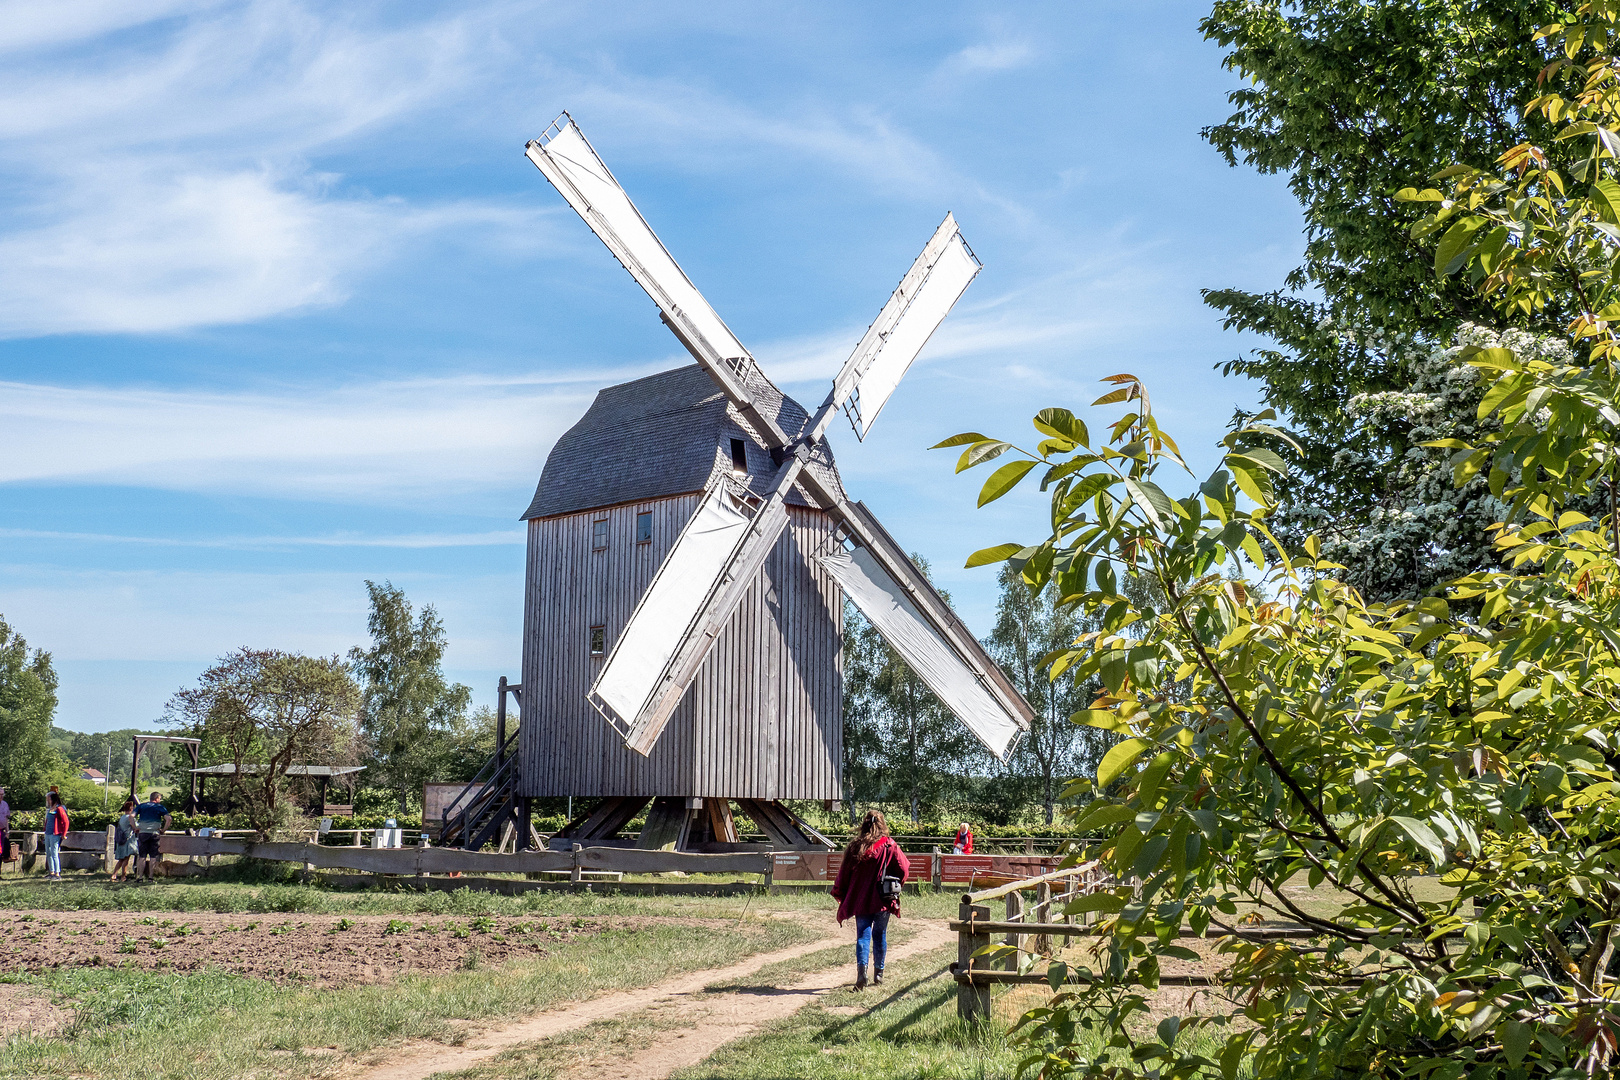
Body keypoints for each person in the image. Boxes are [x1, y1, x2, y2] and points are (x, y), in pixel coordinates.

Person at [830, 809, 909, 990]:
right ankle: (879, 974)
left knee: (862, 936)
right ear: (882, 825)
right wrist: (897, 884)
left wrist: (839, 892)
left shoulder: (855, 846)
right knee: (880, 935)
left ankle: (862, 974)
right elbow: (904, 869)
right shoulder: (890, 845)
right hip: (883, 899)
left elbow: (843, 874)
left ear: (864, 825)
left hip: (861, 899)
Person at [134, 791, 170, 883]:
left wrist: (135, 828)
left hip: (143, 833)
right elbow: (169, 819)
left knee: (142, 856)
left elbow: (131, 816)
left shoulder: (141, 806)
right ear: (157, 798)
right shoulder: (159, 807)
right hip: (154, 833)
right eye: (160, 799)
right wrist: (163, 830)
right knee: (153, 856)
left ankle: (140, 877)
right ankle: (150, 877)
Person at [43, 790, 69, 880]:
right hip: (48, 833)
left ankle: (57, 873)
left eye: (48, 799)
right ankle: (51, 872)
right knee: (48, 853)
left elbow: (66, 822)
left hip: (55, 834)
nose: (47, 801)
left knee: (54, 853)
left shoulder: (60, 809)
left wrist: (64, 833)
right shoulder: (50, 809)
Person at [111, 798, 138, 882]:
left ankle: (114, 874)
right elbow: (135, 827)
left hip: (121, 840)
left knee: (121, 859)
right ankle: (123, 876)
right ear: (131, 809)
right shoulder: (130, 818)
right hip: (127, 840)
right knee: (126, 859)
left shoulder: (122, 817)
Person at [0, 788, 10, 872]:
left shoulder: (5, 804)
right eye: (0, 794)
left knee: (1, 852)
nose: (1, 796)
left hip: (2, 831)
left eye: (2, 794)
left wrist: (7, 831)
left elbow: (6, 819)